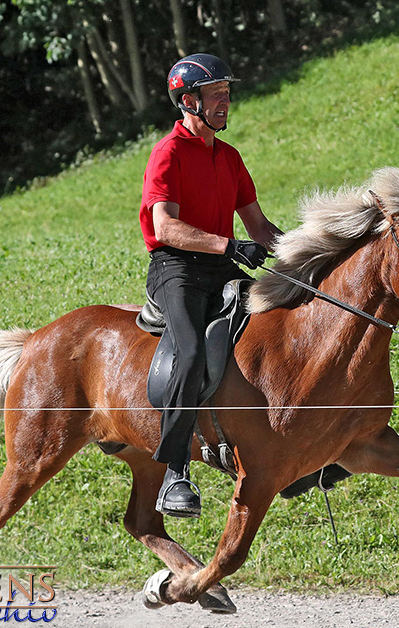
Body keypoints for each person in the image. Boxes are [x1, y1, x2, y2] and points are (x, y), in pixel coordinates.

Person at [139, 53, 282, 518]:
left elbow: (260, 227)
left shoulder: (230, 156)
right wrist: (228, 246)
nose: (226, 101)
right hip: (176, 270)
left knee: (274, 326)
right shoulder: (168, 153)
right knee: (192, 352)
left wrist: (312, 253)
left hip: (221, 267)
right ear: (189, 100)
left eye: (226, 93)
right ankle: (175, 471)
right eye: (217, 94)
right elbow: (164, 227)